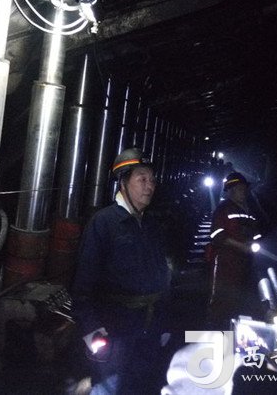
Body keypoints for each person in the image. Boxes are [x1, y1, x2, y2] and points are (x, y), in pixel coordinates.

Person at [71, 148, 172, 394]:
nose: (149, 186)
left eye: (152, 180)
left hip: (149, 330)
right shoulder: (104, 223)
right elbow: (83, 282)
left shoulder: (151, 224)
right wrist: (92, 330)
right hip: (114, 330)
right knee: (109, 386)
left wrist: (164, 324)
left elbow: (163, 276)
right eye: (142, 179)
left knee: (142, 386)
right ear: (123, 182)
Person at [207, 172, 262, 329]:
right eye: (239, 189)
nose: (243, 192)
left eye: (244, 189)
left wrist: (255, 243)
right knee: (222, 297)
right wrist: (241, 246)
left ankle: (234, 331)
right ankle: (216, 330)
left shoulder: (248, 211)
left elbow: (256, 233)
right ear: (230, 191)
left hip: (245, 262)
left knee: (240, 299)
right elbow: (216, 234)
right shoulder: (223, 209)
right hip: (226, 261)